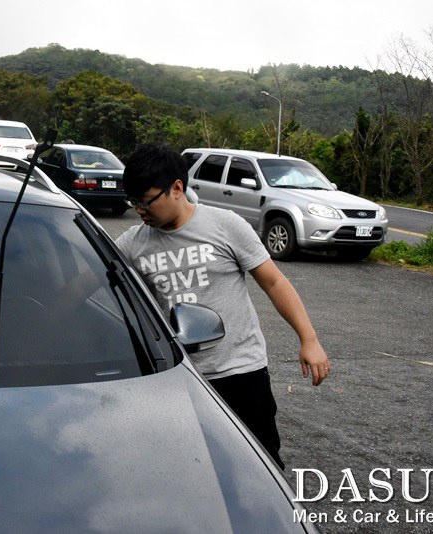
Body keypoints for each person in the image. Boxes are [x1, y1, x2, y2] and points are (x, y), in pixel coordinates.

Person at [114, 143, 331, 469]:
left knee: (260, 467)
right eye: (134, 203)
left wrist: (309, 339)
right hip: (178, 376)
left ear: (177, 188)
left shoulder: (225, 225)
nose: (140, 211)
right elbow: (92, 286)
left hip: (240, 372)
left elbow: (274, 282)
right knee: (194, 467)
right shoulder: (133, 243)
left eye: (146, 202)